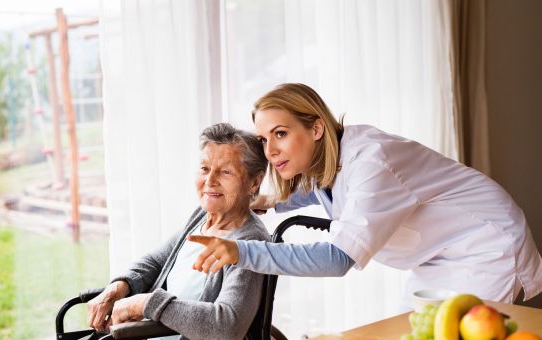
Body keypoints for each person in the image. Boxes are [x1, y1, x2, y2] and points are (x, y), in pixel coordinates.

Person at [189, 83, 542, 308]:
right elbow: (320, 188)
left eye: (280, 133)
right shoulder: (328, 155)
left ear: (316, 127)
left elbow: (338, 259)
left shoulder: (371, 163)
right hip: (436, 256)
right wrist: (268, 200)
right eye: (265, 139)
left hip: (484, 245)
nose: (271, 150)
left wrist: (240, 251)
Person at [14, 123, 270, 340]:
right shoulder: (202, 216)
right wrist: (120, 286)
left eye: (226, 172)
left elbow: (227, 327)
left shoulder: (250, 241)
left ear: (253, 182)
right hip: (142, 335)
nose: (210, 181)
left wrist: (145, 303)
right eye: (205, 169)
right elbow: (158, 259)